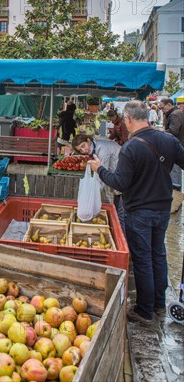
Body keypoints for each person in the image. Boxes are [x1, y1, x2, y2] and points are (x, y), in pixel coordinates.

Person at [88, 100, 184, 326]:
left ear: (129, 119)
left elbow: (119, 183)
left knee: (142, 259)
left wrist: (99, 168)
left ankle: (144, 310)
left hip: (139, 210)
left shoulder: (131, 147)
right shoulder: (168, 140)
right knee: (158, 253)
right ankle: (159, 304)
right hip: (162, 209)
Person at [71, 134, 125, 231]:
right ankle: (119, 231)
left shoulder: (103, 150)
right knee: (117, 208)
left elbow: (102, 174)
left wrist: (91, 196)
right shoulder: (94, 148)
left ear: (88, 141)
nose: (83, 150)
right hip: (117, 179)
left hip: (123, 179)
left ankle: (122, 236)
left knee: (121, 212)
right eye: (80, 150)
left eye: (83, 146)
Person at [158, 98, 184, 190]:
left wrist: (161, 131)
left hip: (175, 147)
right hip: (178, 146)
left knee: (175, 173)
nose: (161, 110)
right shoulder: (177, 112)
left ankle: (176, 196)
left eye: (162, 107)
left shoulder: (174, 114)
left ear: (169, 105)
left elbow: (174, 131)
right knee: (176, 173)